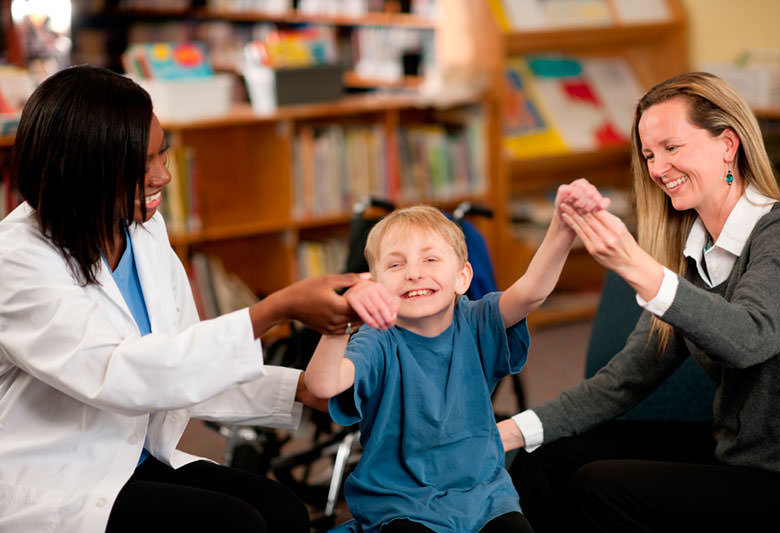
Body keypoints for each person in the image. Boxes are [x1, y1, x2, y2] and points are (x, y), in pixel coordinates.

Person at [0, 64, 372, 532]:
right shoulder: (15, 261)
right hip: (60, 476)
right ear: (84, 172)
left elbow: (185, 356)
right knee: (236, 525)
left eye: (164, 154)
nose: (164, 177)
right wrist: (275, 310)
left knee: (284, 511)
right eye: (142, 166)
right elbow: (127, 374)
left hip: (133, 458)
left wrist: (301, 389)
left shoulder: (141, 228)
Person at [499, 71, 780, 532]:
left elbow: (749, 338)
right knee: (549, 457)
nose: (658, 169)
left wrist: (637, 266)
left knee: (601, 486)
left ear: (728, 145)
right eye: (649, 155)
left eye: (671, 148)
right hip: (730, 455)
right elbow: (622, 382)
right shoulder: (691, 257)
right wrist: (503, 434)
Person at [304, 190, 608, 532]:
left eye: (430, 260)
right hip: (400, 503)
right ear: (375, 285)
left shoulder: (478, 321)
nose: (413, 273)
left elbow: (532, 291)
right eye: (395, 264)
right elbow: (322, 384)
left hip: (484, 497)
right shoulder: (377, 339)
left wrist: (562, 228)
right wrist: (340, 323)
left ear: (462, 278)